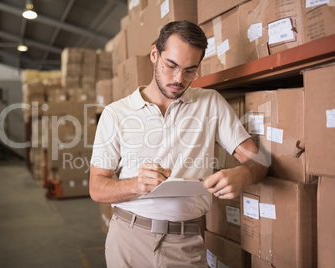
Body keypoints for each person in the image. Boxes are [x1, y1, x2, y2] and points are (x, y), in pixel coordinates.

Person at [89, 20, 268, 267]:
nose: (178, 79)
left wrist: (244, 174)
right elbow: (97, 188)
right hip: (128, 239)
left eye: (190, 71)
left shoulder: (210, 103)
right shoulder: (116, 113)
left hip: (185, 242)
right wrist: (137, 185)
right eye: (170, 66)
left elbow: (259, 161)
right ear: (155, 54)